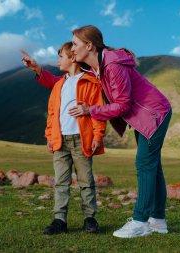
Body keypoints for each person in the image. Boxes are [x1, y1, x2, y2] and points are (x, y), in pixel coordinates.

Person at [21, 25, 172, 238]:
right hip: (143, 116)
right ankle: (158, 221)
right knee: (153, 167)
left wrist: (89, 110)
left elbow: (123, 105)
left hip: (154, 113)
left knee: (145, 164)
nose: (72, 48)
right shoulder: (96, 68)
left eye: (74, 43)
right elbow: (62, 84)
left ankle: (140, 222)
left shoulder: (111, 65)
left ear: (89, 45)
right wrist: (37, 70)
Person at [37, 42, 106, 235]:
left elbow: (98, 111)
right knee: (61, 182)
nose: (58, 60)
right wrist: (49, 136)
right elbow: (52, 114)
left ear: (73, 58)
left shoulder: (89, 82)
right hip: (60, 141)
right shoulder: (59, 85)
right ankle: (60, 220)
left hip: (81, 139)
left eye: (61, 57)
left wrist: (97, 136)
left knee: (86, 181)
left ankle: (90, 219)